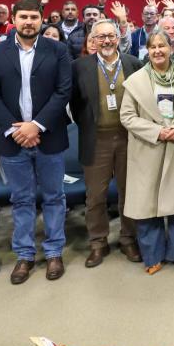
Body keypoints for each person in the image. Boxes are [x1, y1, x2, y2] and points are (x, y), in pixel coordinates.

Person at [0, 0, 73, 285]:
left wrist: (36, 125)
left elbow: (63, 91)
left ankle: (54, 251)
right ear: (14, 18)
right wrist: (16, 129)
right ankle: (24, 255)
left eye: (34, 17)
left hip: (49, 137)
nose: (29, 22)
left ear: (41, 18)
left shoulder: (57, 49)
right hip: (12, 141)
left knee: (54, 198)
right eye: (24, 17)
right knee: (20, 199)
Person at [120, 30, 174, 275]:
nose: (157, 51)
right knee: (147, 206)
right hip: (147, 148)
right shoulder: (135, 81)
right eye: (153, 47)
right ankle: (152, 256)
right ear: (147, 51)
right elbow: (127, 117)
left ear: (172, 48)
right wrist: (157, 131)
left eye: (162, 46)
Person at [70, 19, 144, 267]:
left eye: (111, 36)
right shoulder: (79, 67)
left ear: (118, 38)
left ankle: (128, 239)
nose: (107, 41)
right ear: (92, 41)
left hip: (128, 138)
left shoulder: (133, 64)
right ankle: (98, 243)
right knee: (95, 196)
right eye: (100, 37)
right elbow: (73, 102)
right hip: (96, 139)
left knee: (129, 192)